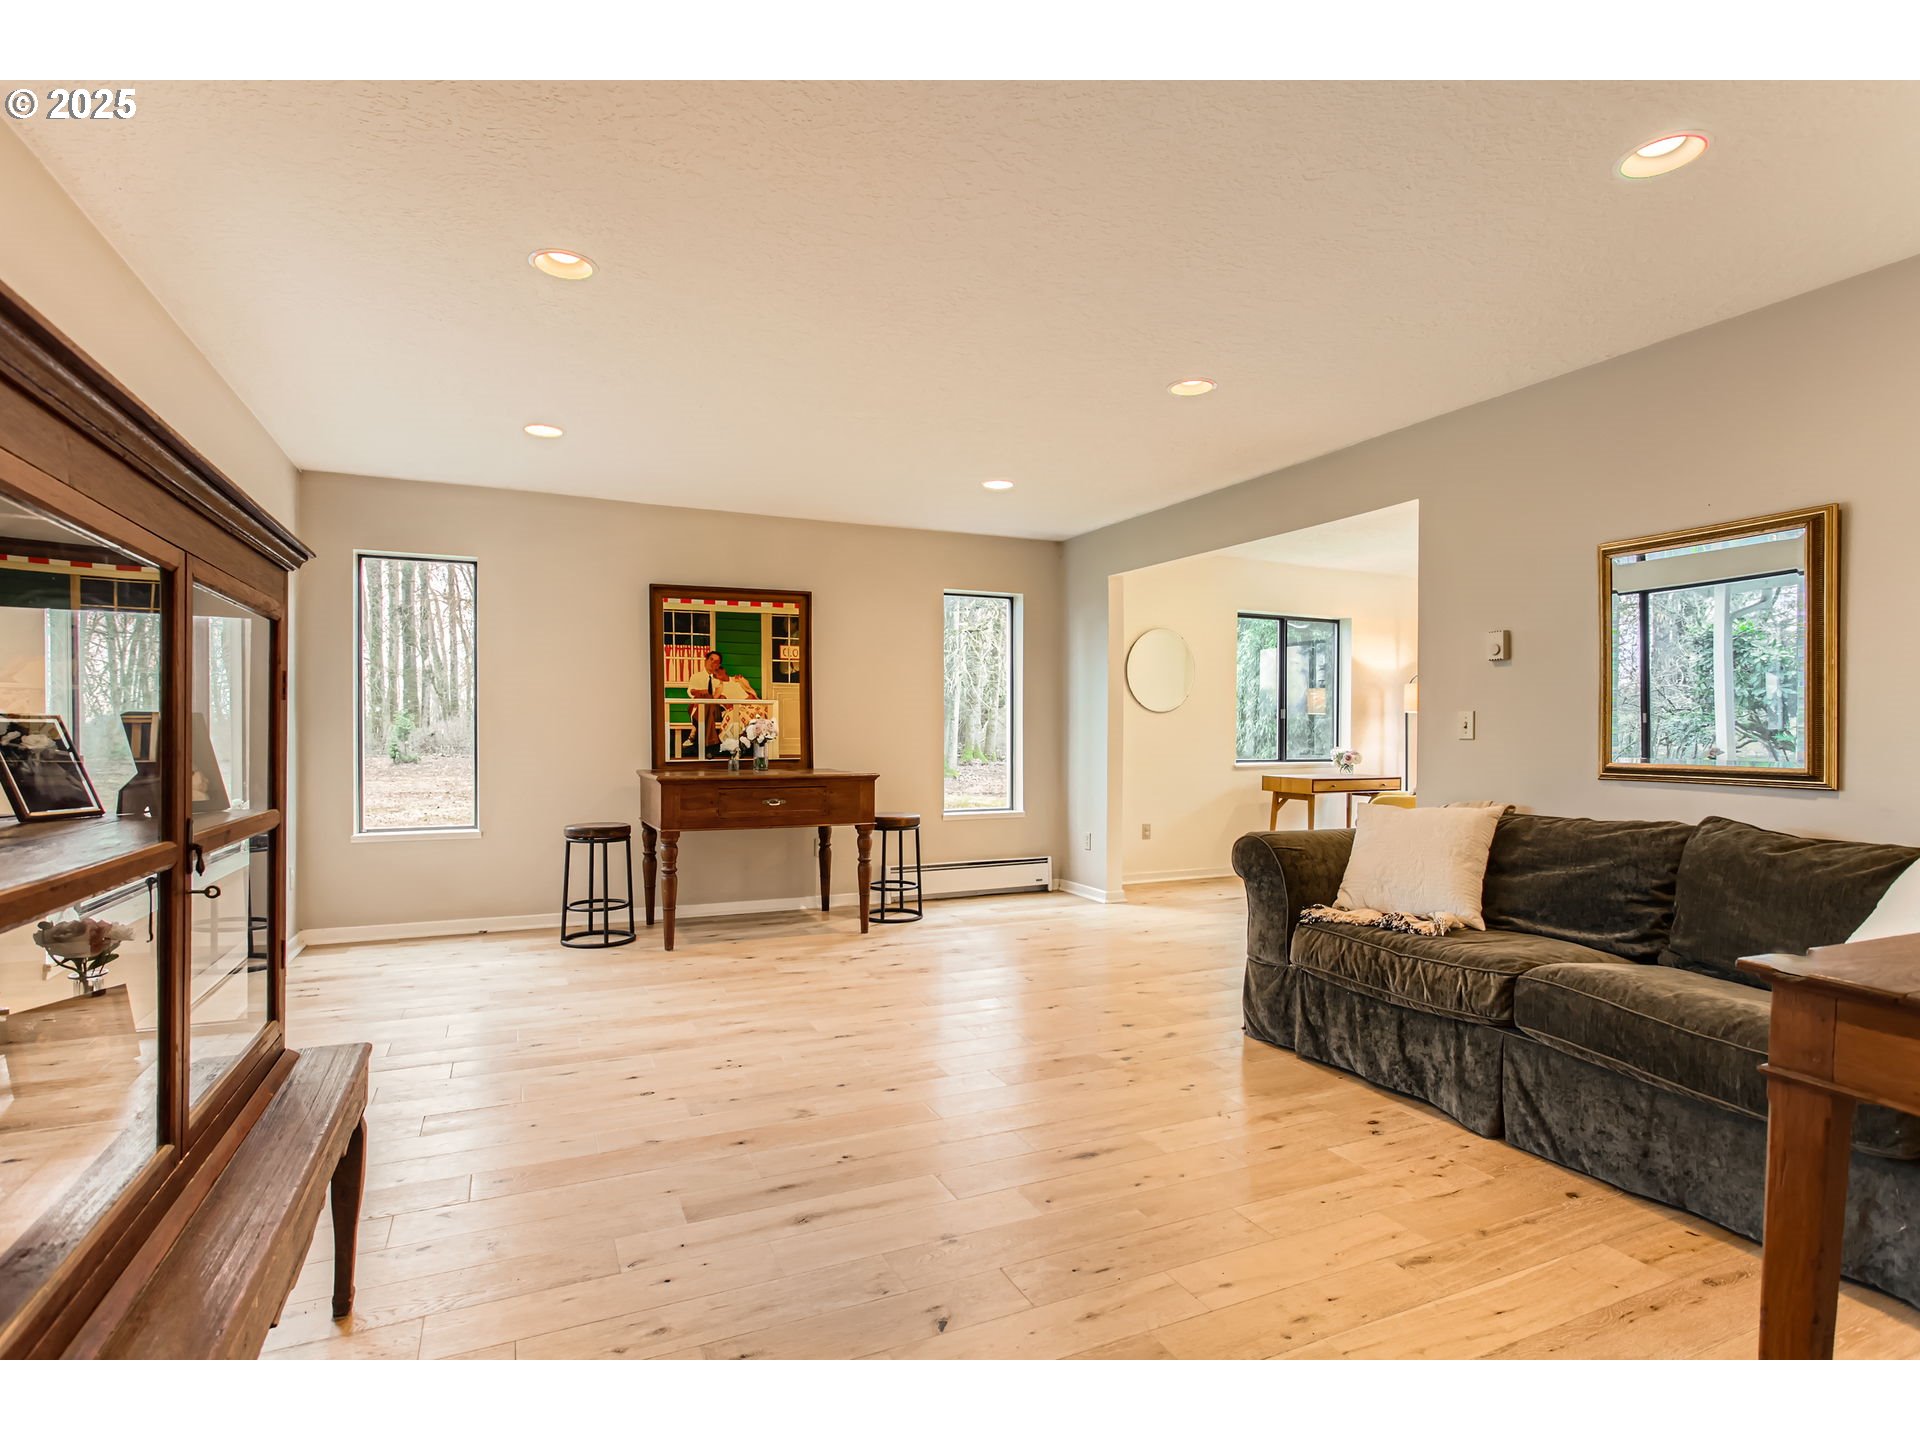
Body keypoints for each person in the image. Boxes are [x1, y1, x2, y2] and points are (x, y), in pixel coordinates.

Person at [685, 649, 758, 757]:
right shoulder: (697, 676)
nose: (713, 663)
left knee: (711, 701)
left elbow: (720, 696)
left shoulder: (718, 681)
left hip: (715, 709)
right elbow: (691, 691)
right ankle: (710, 745)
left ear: (719, 665)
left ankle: (703, 742)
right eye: (711, 660)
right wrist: (704, 692)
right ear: (706, 660)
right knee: (705, 698)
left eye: (716, 662)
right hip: (697, 707)